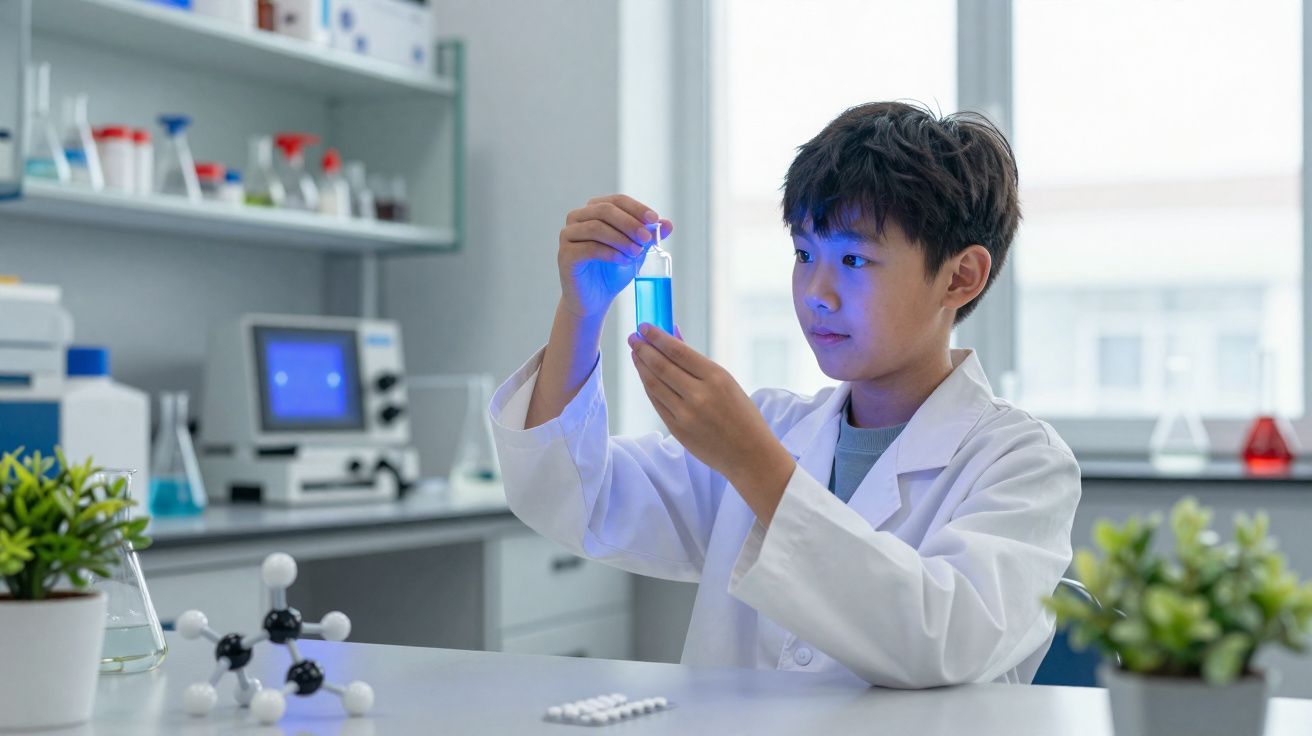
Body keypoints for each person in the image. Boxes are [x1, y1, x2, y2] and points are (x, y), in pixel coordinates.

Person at [488, 101, 1081, 688]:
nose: (817, 293)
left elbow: (939, 642)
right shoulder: (774, 426)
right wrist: (581, 310)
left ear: (961, 277)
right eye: (803, 254)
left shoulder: (1023, 465)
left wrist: (752, 462)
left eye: (853, 258)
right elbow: (569, 498)